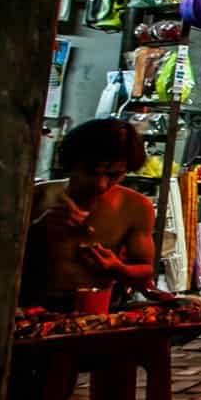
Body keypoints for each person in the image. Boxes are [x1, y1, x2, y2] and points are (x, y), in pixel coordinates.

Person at [23, 118, 156, 311]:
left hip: (98, 309)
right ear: (71, 163)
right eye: (91, 173)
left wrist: (117, 268)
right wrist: (37, 230)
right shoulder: (36, 196)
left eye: (113, 175)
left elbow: (145, 272)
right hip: (33, 308)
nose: (101, 184)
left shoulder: (135, 207)